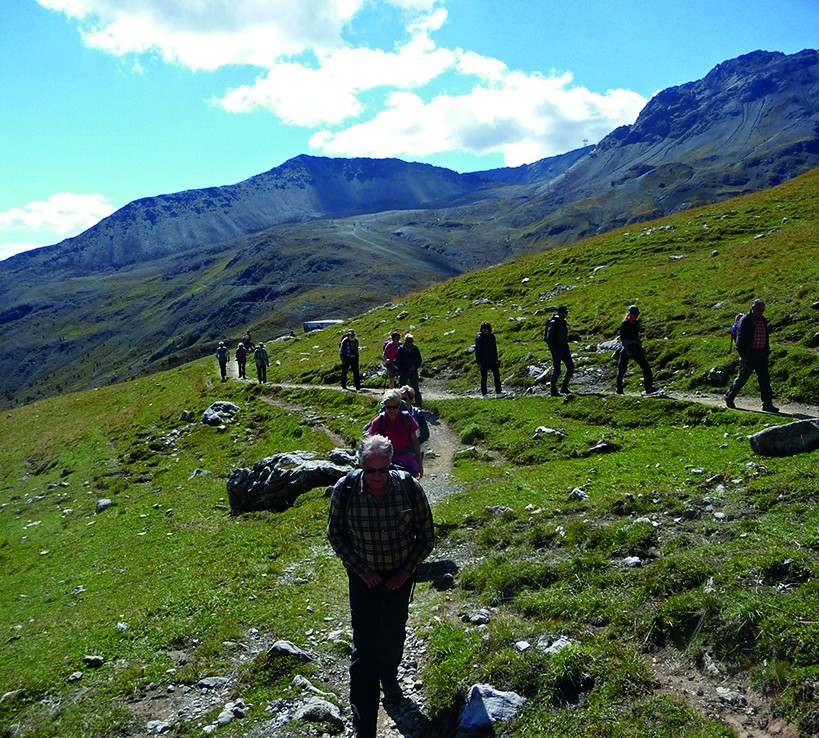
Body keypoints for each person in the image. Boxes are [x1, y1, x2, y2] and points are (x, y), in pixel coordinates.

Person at [326, 434, 434, 738]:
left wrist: (404, 571)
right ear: (360, 466)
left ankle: (390, 678)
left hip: (399, 578)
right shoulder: (344, 490)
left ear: (391, 465)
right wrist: (362, 570)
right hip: (364, 580)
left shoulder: (408, 488)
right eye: (369, 470)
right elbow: (335, 536)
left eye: (382, 470)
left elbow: (426, 536)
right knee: (364, 648)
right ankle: (364, 728)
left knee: (394, 632)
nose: (376, 477)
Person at [725, 298, 778, 412]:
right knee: (742, 378)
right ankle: (729, 397)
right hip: (749, 354)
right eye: (759, 309)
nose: (761, 312)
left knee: (765, 380)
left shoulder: (763, 320)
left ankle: (767, 404)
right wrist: (742, 355)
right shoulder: (746, 320)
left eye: (763, 310)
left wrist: (766, 352)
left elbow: (766, 337)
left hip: (761, 355)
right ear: (753, 308)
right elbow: (740, 339)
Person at [367, 389, 423, 478]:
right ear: (384, 406)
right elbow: (370, 445)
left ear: (399, 405)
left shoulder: (407, 419)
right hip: (386, 461)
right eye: (388, 407)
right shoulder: (378, 422)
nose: (392, 409)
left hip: (407, 460)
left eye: (395, 406)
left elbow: (415, 442)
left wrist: (420, 464)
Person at [615, 305, 655, 394]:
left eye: (637, 314)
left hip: (635, 346)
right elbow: (623, 338)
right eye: (634, 314)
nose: (636, 316)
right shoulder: (624, 324)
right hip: (626, 347)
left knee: (645, 366)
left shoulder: (637, 323)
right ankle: (619, 389)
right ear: (630, 314)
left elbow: (636, 336)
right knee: (622, 369)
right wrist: (627, 350)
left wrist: (639, 347)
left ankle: (648, 387)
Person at [545, 305, 574, 396]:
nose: (566, 314)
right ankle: (553, 390)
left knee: (571, 366)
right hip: (557, 350)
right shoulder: (554, 322)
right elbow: (548, 338)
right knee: (557, 370)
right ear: (560, 312)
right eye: (565, 312)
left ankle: (564, 387)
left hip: (564, 349)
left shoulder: (562, 322)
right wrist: (554, 349)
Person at [399, 385, 429, 458]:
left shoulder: (418, 414)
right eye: (399, 399)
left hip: (416, 451)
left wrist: (412, 445)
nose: (402, 402)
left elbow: (425, 434)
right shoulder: (395, 413)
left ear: (411, 400)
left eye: (404, 399)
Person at [474, 321, 503, 397]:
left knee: (496, 376)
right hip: (483, 361)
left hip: (492, 360)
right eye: (483, 328)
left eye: (486, 328)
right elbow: (477, 351)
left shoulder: (492, 337)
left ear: (489, 329)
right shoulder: (479, 338)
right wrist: (479, 362)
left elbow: (494, 348)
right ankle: (484, 394)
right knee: (484, 377)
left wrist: (496, 359)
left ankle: (498, 392)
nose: (485, 330)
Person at [394, 333, 423, 408]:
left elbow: (419, 360)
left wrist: (415, 366)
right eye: (408, 341)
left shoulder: (415, 348)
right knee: (402, 388)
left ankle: (418, 404)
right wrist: (401, 369)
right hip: (404, 371)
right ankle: (400, 403)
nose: (410, 343)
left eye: (411, 341)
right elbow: (396, 361)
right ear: (405, 341)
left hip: (413, 371)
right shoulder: (401, 349)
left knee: (415, 387)